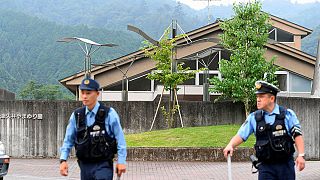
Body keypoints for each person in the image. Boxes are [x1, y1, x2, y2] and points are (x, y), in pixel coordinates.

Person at [223, 80, 305, 180]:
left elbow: (297, 135)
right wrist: (231, 145)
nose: (258, 100)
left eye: (261, 96)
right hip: (265, 166)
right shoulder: (254, 117)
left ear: (272, 98)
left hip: (285, 166)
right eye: (257, 97)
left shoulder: (287, 115)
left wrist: (301, 155)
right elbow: (241, 135)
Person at [59, 78, 127, 180]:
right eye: (82, 93)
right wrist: (63, 160)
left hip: (103, 164)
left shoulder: (109, 114)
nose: (85, 96)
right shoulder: (77, 115)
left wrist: (121, 161)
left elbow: (120, 139)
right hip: (85, 165)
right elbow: (68, 139)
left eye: (88, 93)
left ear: (97, 94)